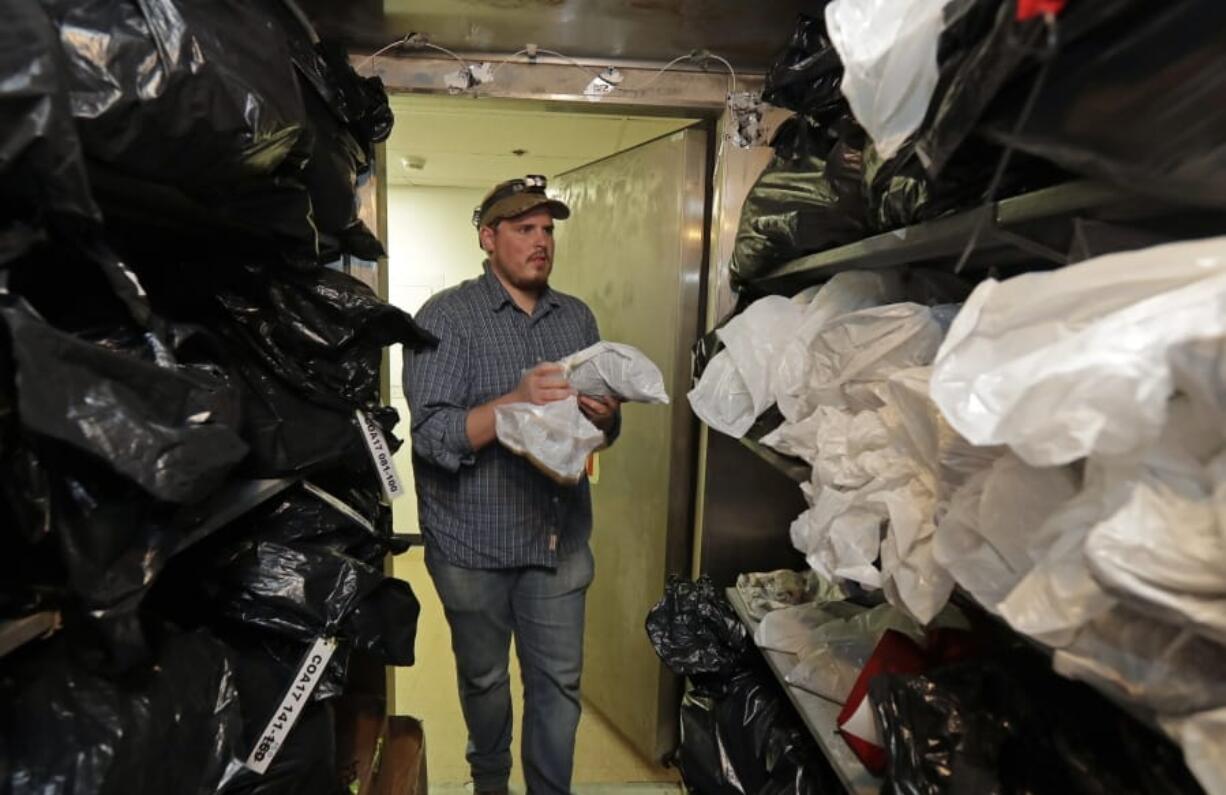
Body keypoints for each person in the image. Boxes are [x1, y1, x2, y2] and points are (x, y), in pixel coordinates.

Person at [403, 175, 621, 795]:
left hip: (558, 540)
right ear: (488, 238)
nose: (541, 241)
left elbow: (598, 435)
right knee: (486, 681)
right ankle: (490, 783)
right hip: (472, 543)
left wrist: (605, 420)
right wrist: (514, 404)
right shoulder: (445, 317)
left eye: (548, 229)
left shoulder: (576, 318)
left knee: (558, 685)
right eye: (524, 229)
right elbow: (433, 435)